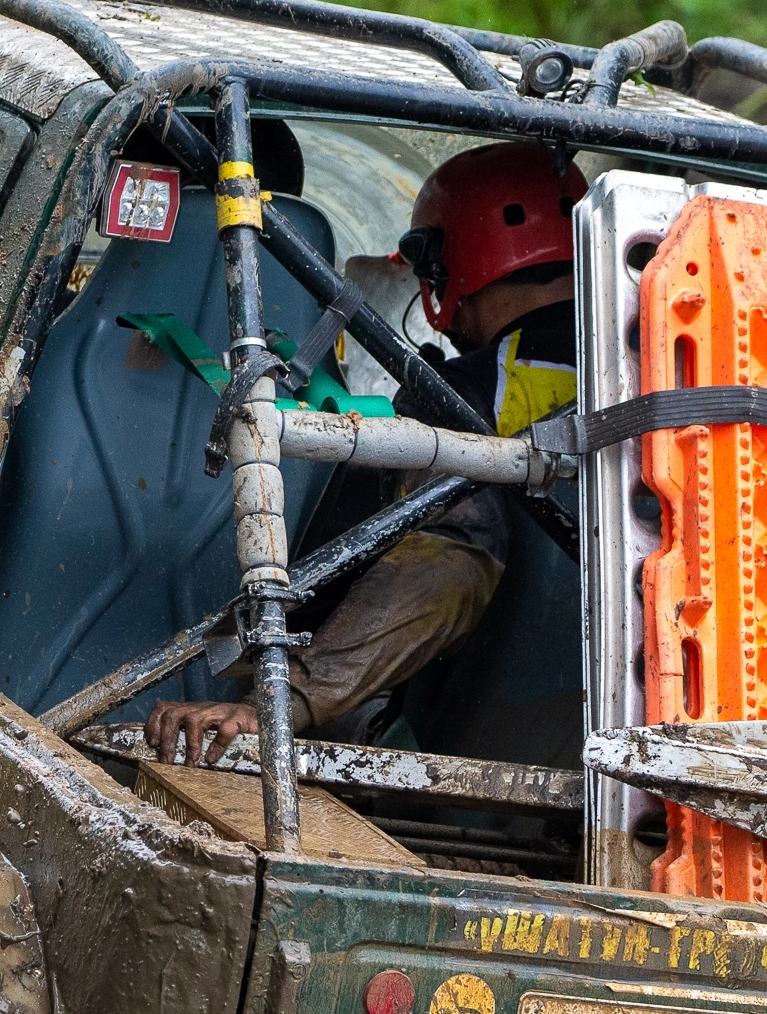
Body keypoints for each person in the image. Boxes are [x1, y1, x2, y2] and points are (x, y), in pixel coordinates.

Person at [145, 141, 586, 766]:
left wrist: (280, 701)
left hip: (478, 761)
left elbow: (447, 565)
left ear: (445, 262)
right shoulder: (676, 375)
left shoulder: (463, 395)